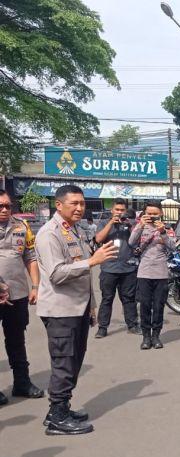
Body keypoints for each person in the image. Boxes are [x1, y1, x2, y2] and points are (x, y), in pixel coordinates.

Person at [36, 184, 118, 435]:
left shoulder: (76, 230)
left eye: (82, 203)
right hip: (61, 311)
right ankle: (56, 417)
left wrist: (91, 307)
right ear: (58, 205)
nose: (80, 208)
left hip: (77, 309)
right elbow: (57, 274)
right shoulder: (49, 234)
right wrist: (93, 260)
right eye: (74, 203)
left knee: (74, 360)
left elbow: (83, 276)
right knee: (64, 362)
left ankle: (62, 407)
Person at [0, 189, 43, 405]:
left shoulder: (21, 226)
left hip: (17, 294)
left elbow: (30, 256)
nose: (5, 210)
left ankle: (22, 383)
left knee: (17, 340)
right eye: (1, 206)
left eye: (8, 205)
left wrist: (35, 285)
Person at [129, 200, 176, 350]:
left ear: (161, 213)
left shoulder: (167, 229)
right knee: (145, 306)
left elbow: (173, 247)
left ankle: (156, 336)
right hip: (144, 272)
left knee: (158, 306)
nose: (152, 216)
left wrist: (162, 232)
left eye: (155, 214)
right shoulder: (140, 226)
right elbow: (131, 242)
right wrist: (140, 225)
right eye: (149, 213)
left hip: (161, 273)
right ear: (144, 214)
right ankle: (146, 337)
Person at [94, 198, 140, 338]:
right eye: (117, 210)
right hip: (109, 268)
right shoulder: (104, 223)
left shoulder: (131, 224)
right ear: (112, 210)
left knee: (129, 298)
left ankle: (132, 324)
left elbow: (137, 239)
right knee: (107, 298)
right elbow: (99, 239)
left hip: (128, 268)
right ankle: (102, 327)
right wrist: (110, 223)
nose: (120, 213)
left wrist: (130, 224)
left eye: (122, 210)